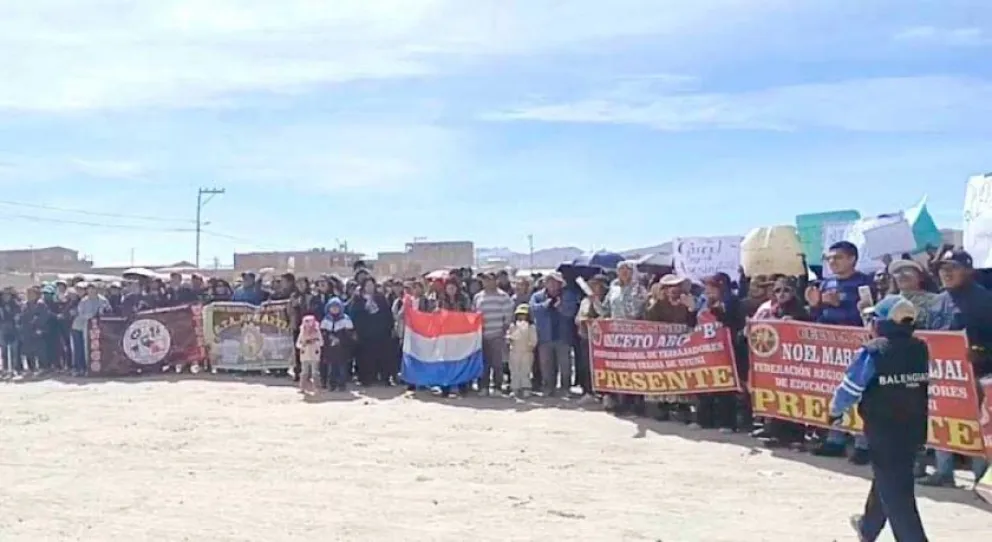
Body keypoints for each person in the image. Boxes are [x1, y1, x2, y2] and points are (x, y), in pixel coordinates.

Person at [829, 296, 930, 542]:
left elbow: (851, 388)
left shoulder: (873, 352)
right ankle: (868, 527)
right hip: (914, 427)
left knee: (898, 493)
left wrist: (835, 410)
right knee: (890, 477)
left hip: (884, 428)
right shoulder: (919, 347)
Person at [808, 240, 874, 463]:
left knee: (859, 393)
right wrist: (817, 305)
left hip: (856, 348)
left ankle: (862, 445)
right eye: (829, 258)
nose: (832, 262)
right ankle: (834, 439)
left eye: (838, 258)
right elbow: (817, 317)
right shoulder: (826, 284)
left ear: (852, 259)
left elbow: (869, 316)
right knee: (833, 392)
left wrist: (842, 306)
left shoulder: (865, 283)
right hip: (830, 349)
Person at [473, 272, 514, 396]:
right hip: (481, 335)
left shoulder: (503, 296)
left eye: (490, 280)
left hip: (497, 334)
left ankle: (497, 387)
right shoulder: (478, 297)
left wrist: (503, 331)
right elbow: (474, 314)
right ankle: (483, 387)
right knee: (483, 363)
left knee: (497, 363)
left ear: (496, 281)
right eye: (485, 280)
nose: (487, 282)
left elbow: (508, 316)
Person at [70, 283, 110, 377]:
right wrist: (91, 316)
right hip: (80, 327)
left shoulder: (103, 300)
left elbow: (107, 311)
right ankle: (79, 368)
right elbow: (81, 313)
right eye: (89, 289)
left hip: (96, 329)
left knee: (94, 349)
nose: (91, 291)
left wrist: (99, 314)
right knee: (80, 349)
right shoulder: (84, 301)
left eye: (93, 289)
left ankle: (93, 369)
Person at [321, 297, 356, 391]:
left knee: (342, 368)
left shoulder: (346, 319)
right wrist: (329, 338)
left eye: (337, 307)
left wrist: (340, 339)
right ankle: (332, 384)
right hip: (330, 350)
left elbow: (350, 334)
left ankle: (342, 384)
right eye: (332, 307)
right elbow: (323, 334)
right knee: (331, 368)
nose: (335, 309)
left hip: (342, 349)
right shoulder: (326, 320)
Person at [506, 304, 538, 398]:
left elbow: (534, 339)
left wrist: (531, 346)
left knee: (525, 370)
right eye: (519, 314)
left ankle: (526, 388)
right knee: (514, 370)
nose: (521, 316)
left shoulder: (531, 327)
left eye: (524, 314)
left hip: (526, 352)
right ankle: (515, 388)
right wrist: (510, 339)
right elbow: (508, 337)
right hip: (514, 351)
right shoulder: (513, 326)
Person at [295, 315, 323, 395]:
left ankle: (317, 388)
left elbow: (321, 343)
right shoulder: (302, 332)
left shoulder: (317, 331)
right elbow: (298, 344)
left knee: (315, 372)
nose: (309, 324)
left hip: (314, 354)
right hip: (305, 354)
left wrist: (314, 342)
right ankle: (302, 388)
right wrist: (303, 344)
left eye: (310, 322)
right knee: (304, 372)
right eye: (306, 322)